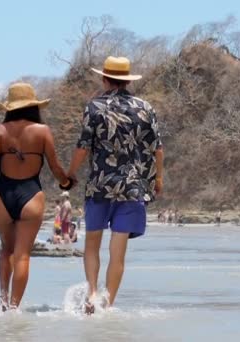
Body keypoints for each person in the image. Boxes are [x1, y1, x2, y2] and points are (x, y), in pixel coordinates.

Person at [66, 56, 164, 314]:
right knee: (118, 253)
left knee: (92, 245)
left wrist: (70, 173)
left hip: (100, 186)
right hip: (133, 189)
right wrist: (158, 179)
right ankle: (106, 304)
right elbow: (158, 150)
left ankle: (92, 294)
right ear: (128, 79)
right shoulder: (145, 108)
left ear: (104, 78)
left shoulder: (94, 107)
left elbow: (83, 146)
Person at [0, 82, 71, 310]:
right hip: (31, 194)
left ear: (10, 107)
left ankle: (3, 301)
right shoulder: (42, 131)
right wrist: (66, 181)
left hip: (3, 194)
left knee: (6, 250)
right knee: (22, 254)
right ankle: (14, 309)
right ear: (33, 105)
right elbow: (55, 167)